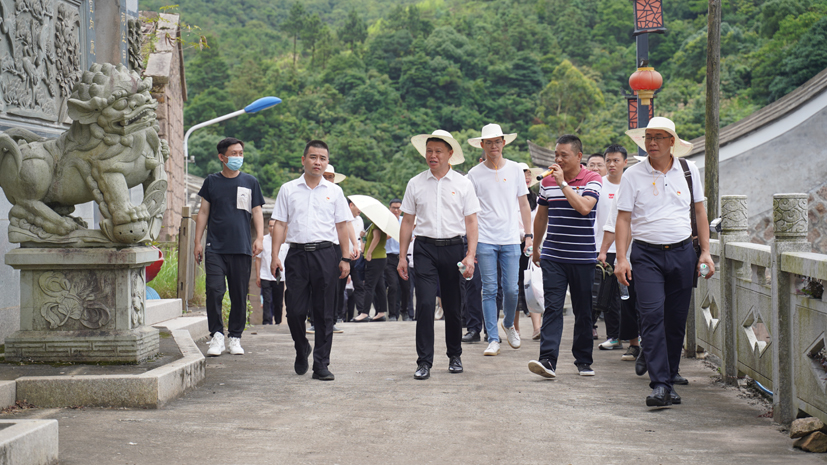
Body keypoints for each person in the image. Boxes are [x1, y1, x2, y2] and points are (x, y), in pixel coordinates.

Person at [614, 117, 715, 407]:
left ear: (672, 142)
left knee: (675, 318)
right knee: (651, 315)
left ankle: (669, 379)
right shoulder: (633, 175)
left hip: (682, 253)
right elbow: (623, 218)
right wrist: (621, 259)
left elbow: (700, 212)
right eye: (648, 137)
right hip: (646, 255)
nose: (652, 142)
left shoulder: (688, 170)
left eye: (659, 137)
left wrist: (705, 252)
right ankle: (659, 384)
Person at [399, 129, 480, 380]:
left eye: (438, 151)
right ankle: (424, 361)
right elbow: (407, 221)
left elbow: (471, 222)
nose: (432, 156)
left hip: (454, 249)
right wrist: (402, 257)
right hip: (424, 248)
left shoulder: (463, 184)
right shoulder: (415, 183)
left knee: (453, 306)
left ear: (450, 154)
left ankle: (454, 356)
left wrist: (470, 255)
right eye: (429, 151)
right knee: (424, 304)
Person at [270, 140, 351, 381]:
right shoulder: (288, 189)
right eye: (313, 157)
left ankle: (321, 364)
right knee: (294, 311)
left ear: (327, 162)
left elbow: (342, 226)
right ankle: (302, 346)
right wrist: (275, 255)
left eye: (322, 158)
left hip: (326, 255)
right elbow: (280, 224)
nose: (318, 162)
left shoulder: (334, 192)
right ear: (303, 160)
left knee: (324, 312)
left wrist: (345, 257)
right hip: (296, 255)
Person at [528, 134, 602, 378]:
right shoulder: (547, 181)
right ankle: (547, 360)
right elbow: (541, 216)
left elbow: (584, 208)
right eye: (556, 155)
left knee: (584, 310)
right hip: (553, 256)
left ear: (579, 156)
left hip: (583, 256)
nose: (558, 159)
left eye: (564, 155)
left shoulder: (592, 178)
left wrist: (563, 184)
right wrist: (536, 247)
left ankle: (583, 360)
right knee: (552, 307)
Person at [194, 137, 265, 357]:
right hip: (215, 247)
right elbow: (203, 212)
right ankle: (216, 336)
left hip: (241, 247)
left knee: (239, 294)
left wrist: (260, 238)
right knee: (214, 291)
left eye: (240, 153)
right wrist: (197, 242)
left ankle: (235, 337)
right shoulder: (211, 182)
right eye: (234, 153)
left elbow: (257, 211)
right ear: (222, 157)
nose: (238, 157)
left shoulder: (250, 181)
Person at [466, 124, 533, 357]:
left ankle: (509, 324)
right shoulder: (473, 174)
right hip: (485, 238)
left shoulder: (515, 170)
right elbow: (469, 212)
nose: (493, 146)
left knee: (512, 289)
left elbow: (524, 204)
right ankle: (493, 338)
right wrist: (470, 248)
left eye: (497, 141)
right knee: (489, 289)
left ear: (503, 143)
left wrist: (529, 236)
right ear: (482, 145)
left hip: (511, 238)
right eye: (489, 142)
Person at [593, 146, 626, 349]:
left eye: (616, 160)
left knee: (630, 295)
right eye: (608, 161)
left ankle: (634, 336)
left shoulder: (630, 184)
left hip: (628, 248)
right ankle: (614, 336)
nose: (611, 164)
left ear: (625, 162)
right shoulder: (598, 185)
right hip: (602, 247)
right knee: (608, 295)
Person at [515, 162, 543, 341]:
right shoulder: (510, 198)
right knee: (513, 286)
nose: (526, 177)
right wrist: (525, 235)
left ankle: (537, 327)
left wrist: (534, 240)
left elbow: (542, 221)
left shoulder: (537, 199)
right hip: (514, 244)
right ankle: (514, 328)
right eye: (522, 173)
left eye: (527, 173)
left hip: (534, 245)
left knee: (534, 283)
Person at [353, 221, 389, 322]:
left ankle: (364, 313)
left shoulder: (377, 224)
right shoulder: (372, 225)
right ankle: (381, 312)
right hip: (378, 258)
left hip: (375, 258)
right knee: (379, 286)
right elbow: (366, 244)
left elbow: (376, 238)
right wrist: (363, 238)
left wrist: (369, 253)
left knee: (369, 285)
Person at [384, 199, 411, 321]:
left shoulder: (404, 221)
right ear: (389, 208)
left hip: (402, 257)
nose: (396, 210)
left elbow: (410, 237)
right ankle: (392, 314)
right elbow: (381, 238)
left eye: (398, 208)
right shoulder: (385, 222)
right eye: (393, 208)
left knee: (406, 286)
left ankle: (405, 311)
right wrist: (393, 233)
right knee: (393, 286)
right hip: (389, 258)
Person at [257, 218, 284, 325]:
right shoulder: (263, 240)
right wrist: (258, 275)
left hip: (279, 277)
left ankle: (278, 322)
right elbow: (258, 259)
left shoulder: (284, 241)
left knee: (278, 302)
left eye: (274, 226)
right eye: (270, 226)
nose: (272, 228)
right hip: (265, 275)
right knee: (267, 300)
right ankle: (267, 322)